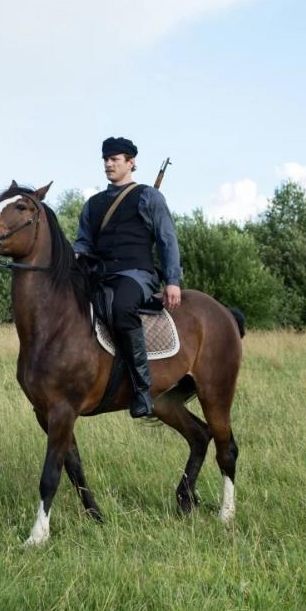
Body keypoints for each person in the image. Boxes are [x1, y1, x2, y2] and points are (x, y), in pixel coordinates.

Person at [73, 136, 182, 418]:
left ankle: (142, 389)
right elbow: (83, 242)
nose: (108, 164)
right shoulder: (93, 204)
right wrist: (75, 257)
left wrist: (173, 280)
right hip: (100, 274)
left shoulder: (149, 197)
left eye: (115, 159)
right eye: (106, 160)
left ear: (131, 163)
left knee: (122, 308)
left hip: (136, 275)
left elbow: (167, 240)